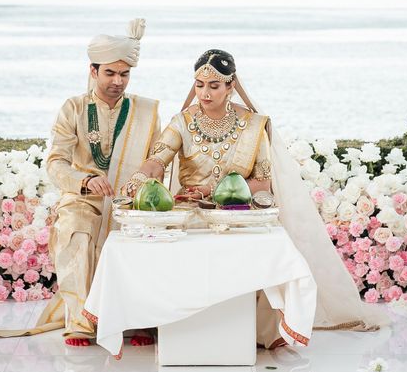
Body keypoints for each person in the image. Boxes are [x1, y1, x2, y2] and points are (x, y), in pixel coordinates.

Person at [134, 47, 385, 344]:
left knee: (269, 245)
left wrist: (213, 191)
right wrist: (143, 174)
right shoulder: (182, 122)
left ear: (231, 86)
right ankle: (174, 324)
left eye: (214, 86)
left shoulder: (253, 125)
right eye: (199, 85)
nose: (205, 94)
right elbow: (158, 158)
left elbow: (262, 185)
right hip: (191, 213)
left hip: (238, 214)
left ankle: (260, 330)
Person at [45, 19, 161, 347]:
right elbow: (55, 163)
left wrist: (141, 187)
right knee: (76, 228)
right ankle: (83, 321)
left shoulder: (145, 111)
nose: (117, 81)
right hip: (83, 197)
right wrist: (84, 181)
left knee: (141, 237)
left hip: (130, 199)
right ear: (93, 71)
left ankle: (137, 320)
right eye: (110, 73)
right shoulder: (74, 108)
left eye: (124, 74)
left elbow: (157, 162)